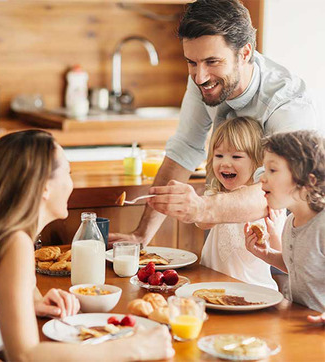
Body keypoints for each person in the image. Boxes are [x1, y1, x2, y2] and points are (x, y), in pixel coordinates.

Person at [109, 0, 319, 247]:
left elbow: (277, 191)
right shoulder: (205, 79)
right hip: (224, 229)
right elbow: (184, 150)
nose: (200, 76)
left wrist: (202, 207)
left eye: (212, 62)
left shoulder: (288, 104)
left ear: (245, 53)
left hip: (286, 242)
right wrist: (141, 234)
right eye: (192, 62)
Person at [0, 130, 174, 361]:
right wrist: (134, 348)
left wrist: (27, 303)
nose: (71, 184)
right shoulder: (14, 242)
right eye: (68, 172)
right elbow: (23, 356)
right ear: (43, 186)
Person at [197, 117, 284, 289]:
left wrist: (274, 233)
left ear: (258, 163)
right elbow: (201, 222)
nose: (225, 163)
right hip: (211, 286)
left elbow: (282, 255)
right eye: (218, 155)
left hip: (253, 289)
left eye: (236, 156)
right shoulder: (216, 195)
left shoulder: (266, 202)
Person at [244, 130, 325, 313]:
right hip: (299, 323)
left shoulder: (322, 226)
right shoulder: (290, 222)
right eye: (264, 170)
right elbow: (298, 266)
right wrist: (267, 254)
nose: (262, 177)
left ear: (307, 181)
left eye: (272, 170)